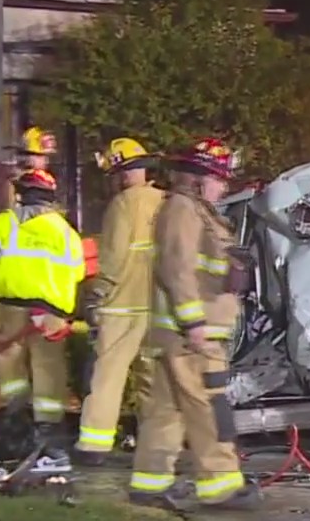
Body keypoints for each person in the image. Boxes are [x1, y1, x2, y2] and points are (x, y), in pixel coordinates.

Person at [129, 137, 259, 511]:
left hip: (179, 334)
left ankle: (149, 482)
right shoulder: (183, 210)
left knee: (165, 411)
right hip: (192, 336)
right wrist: (195, 323)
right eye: (218, 178)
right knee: (210, 409)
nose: (224, 186)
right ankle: (221, 486)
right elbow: (176, 267)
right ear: (198, 177)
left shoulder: (197, 212)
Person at [0, 169, 86, 473]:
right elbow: (76, 272)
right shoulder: (65, 231)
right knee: (49, 369)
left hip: (9, 306)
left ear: (21, 193)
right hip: (51, 313)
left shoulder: (6, 221)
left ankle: (15, 417)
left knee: (9, 363)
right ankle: (48, 432)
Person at [75, 137, 164, 463]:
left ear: (122, 173)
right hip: (155, 306)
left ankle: (94, 446)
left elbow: (112, 256)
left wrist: (96, 294)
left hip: (120, 306)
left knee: (108, 376)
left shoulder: (123, 205)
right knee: (151, 380)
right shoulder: (166, 201)